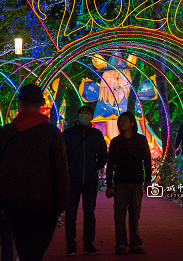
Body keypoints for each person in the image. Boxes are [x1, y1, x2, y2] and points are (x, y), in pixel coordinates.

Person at [0, 83, 69, 261]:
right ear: (41, 103)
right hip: (45, 204)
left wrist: (1, 201)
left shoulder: (6, 132)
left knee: (24, 248)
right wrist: (61, 204)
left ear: (19, 103)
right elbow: (61, 171)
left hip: (15, 203)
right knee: (35, 251)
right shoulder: (52, 133)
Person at [63, 105, 107, 256]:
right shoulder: (68, 133)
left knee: (89, 213)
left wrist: (93, 167)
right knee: (70, 213)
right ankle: (71, 246)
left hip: (89, 180)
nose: (84, 115)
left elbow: (102, 155)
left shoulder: (96, 134)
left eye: (87, 113)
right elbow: (61, 154)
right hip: (72, 180)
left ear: (91, 116)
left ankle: (89, 244)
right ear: (77, 115)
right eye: (82, 113)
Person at [106, 111, 152, 255]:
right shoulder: (115, 142)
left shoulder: (141, 140)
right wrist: (109, 185)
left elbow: (147, 160)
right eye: (121, 120)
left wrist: (148, 180)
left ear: (132, 123)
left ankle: (135, 244)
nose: (122, 123)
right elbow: (110, 164)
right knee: (119, 214)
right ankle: (121, 244)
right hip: (120, 182)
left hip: (136, 181)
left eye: (125, 120)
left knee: (135, 213)